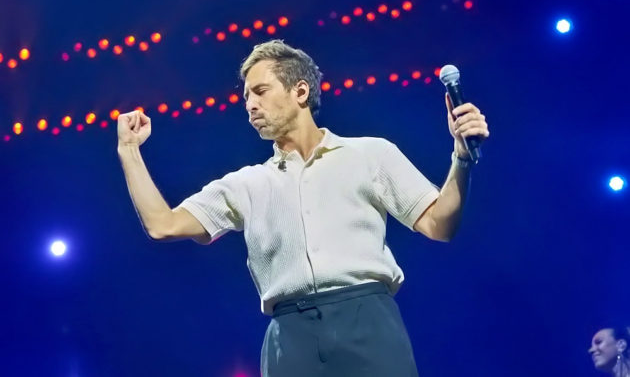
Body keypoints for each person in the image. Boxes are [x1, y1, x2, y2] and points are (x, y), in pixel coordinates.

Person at [117, 40, 490, 376]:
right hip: (289, 335)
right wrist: (129, 152)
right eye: (246, 96)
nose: (250, 104)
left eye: (261, 91)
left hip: (367, 320)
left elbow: (440, 224)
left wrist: (461, 157)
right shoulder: (246, 183)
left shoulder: (370, 153)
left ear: (300, 91)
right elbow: (161, 224)